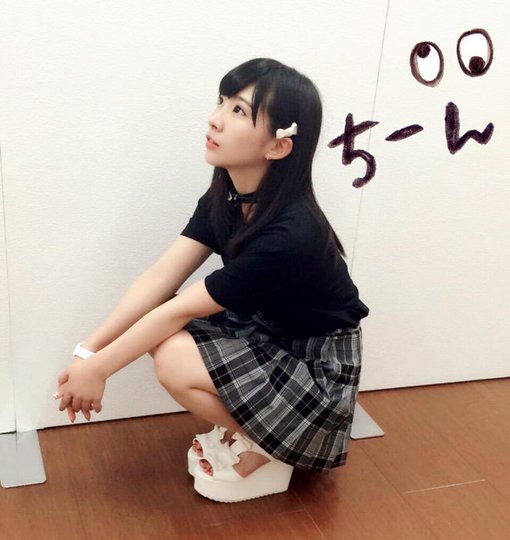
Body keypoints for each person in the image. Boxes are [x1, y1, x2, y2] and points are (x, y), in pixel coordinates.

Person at [55, 57, 369, 503]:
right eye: (221, 102)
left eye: (238, 110)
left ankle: (275, 447)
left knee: (172, 353)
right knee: (163, 329)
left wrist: (99, 371)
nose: (215, 118)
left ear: (279, 146)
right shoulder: (227, 195)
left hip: (318, 366)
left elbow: (180, 308)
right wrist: (89, 352)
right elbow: (160, 278)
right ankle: (263, 433)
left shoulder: (291, 233)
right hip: (269, 332)